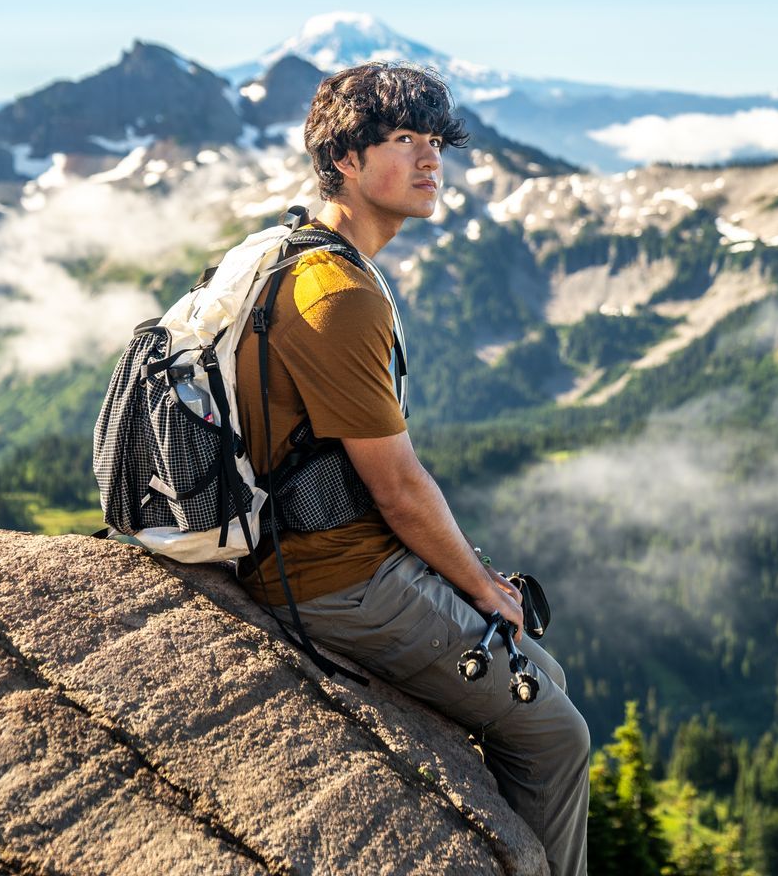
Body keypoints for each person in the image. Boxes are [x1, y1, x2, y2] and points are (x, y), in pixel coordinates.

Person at [233, 62, 589, 876]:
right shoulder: (339, 294)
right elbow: (397, 485)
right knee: (558, 731)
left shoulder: (296, 251)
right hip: (334, 579)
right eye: (405, 140)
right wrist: (482, 587)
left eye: (436, 142)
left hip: (328, 556)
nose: (431, 161)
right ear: (345, 160)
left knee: (547, 676)